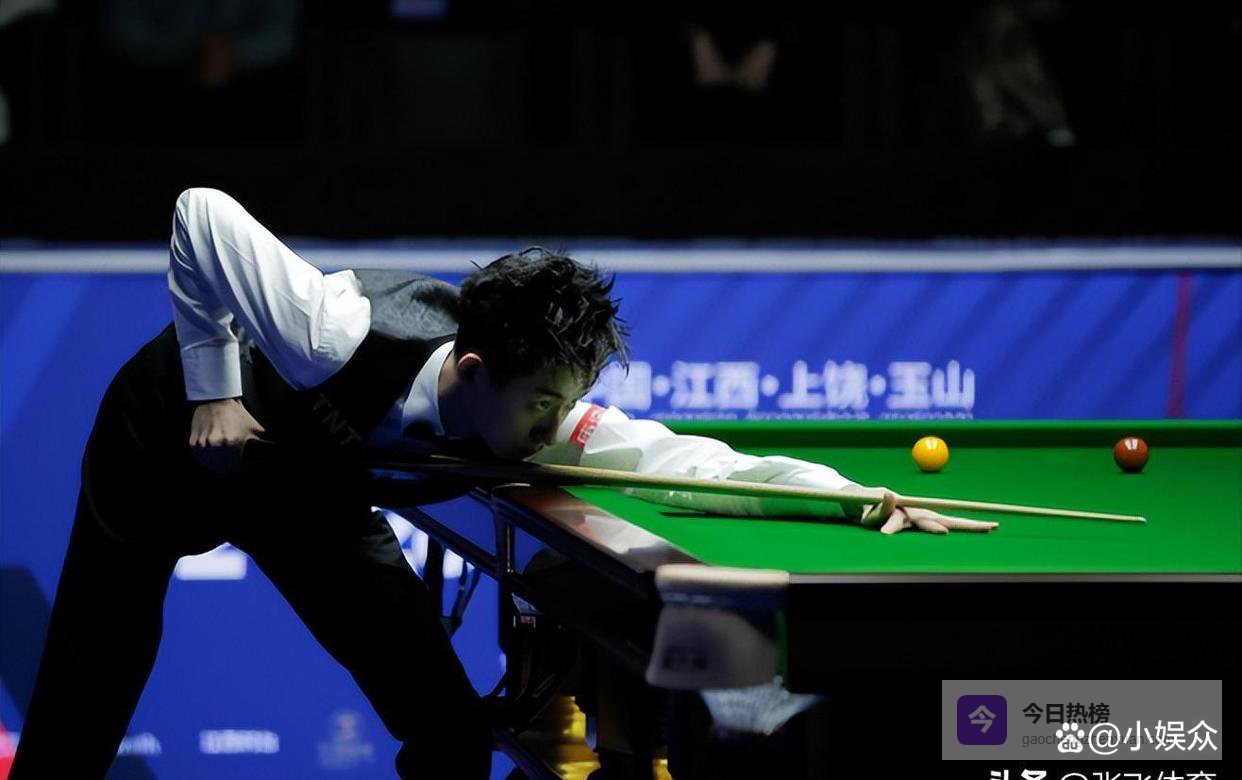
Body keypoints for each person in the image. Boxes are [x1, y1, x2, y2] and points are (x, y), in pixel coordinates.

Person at [11, 188, 995, 779]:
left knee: (448, 734)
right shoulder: (333, 333)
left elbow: (695, 464)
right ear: (475, 373)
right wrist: (215, 390)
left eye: (569, 403)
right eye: (541, 407)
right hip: (166, 444)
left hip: (315, 498)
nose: (555, 427)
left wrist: (852, 498)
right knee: (92, 684)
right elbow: (199, 214)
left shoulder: (541, 407)